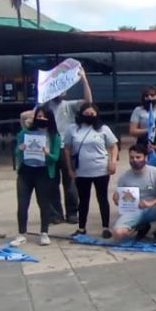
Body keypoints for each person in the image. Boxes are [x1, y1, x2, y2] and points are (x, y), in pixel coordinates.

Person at [45, 68, 93, 224]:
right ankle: (55, 213)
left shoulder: (69, 105)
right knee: (52, 182)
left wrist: (84, 80)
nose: (62, 91)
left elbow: (88, 102)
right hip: (50, 148)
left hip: (66, 147)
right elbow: (28, 117)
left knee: (70, 181)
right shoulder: (44, 107)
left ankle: (72, 212)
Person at [65, 103, 118, 238]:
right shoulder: (73, 129)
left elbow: (113, 145)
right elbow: (67, 149)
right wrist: (70, 168)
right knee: (83, 200)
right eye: (86, 114)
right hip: (81, 171)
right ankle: (82, 227)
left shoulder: (103, 129)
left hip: (101, 169)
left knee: (102, 198)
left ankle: (106, 227)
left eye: (92, 114)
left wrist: (113, 162)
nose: (89, 117)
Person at [13, 107, 62, 246]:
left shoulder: (54, 136)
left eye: (44, 117)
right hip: (26, 172)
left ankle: (44, 232)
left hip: (43, 172)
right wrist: (20, 149)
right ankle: (22, 233)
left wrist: (48, 153)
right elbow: (16, 151)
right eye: (39, 116)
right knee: (22, 204)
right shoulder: (25, 133)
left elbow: (56, 157)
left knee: (44, 204)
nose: (41, 119)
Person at [111, 144, 156, 240]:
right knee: (118, 234)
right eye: (131, 157)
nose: (134, 160)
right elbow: (119, 199)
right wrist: (116, 198)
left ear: (146, 158)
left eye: (138, 157)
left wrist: (151, 203)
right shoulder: (124, 177)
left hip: (153, 208)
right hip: (133, 210)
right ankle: (139, 227)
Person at [128, 87, 156, 172]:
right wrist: (150, 130)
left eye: (152, 95)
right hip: (144, 144)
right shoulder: (138, 110)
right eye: (146, 96)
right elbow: (132, 131)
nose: (149, 98)